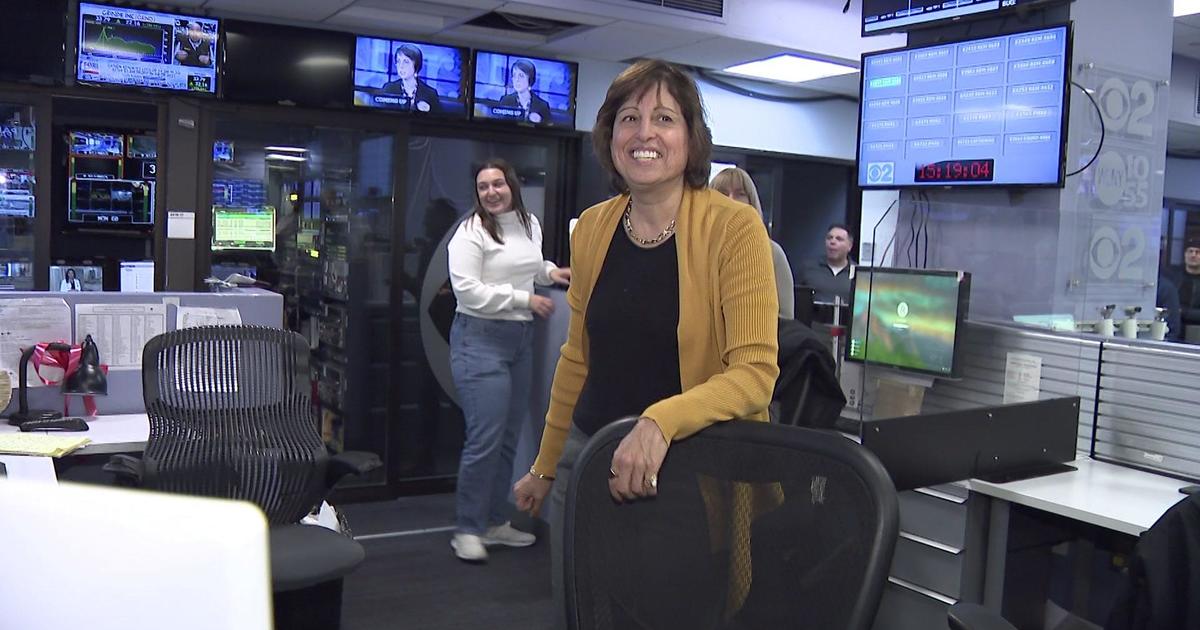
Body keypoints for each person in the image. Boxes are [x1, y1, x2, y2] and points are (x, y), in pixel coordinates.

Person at [511, 59, 779, 627]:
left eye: (664, 117)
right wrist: (546, 466)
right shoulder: (592, 229)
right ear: (610, 138)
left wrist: (660, 421)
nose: (645, 133)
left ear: (691, 137)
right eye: (628, 118)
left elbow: (755, 372)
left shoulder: (734, 229)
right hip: (591, 461)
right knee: (583, 614)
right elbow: (577, 358)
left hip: (685, 474)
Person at [447, 158, 571, 563]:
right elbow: (468, 292)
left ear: (511, 185)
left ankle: (495, 522)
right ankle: (467, 527)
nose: (491, 192)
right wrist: (524, 300)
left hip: (519, 340)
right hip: (479, 339)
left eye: (497, 183)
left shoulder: (528, 223)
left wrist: (551, 274)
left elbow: (528, 269)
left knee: (507, 439)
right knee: (484, 439)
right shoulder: (470, 233)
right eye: (483, 187)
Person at [710, 167, 795, 319]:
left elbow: (785, 318)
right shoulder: (695, 248)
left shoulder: (772, 252)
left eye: (740, 194)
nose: (731, 199)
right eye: (723, 193)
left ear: (751, 201)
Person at [800, 223, 856, 303]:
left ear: (850, 246)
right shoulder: (808, 268)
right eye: (829, 238)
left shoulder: (858, 274)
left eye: (839, 239)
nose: (832, 241)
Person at [381, 45, 442, 113]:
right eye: (398, 61)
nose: (401, 66)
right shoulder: (389, 88)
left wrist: (428, 111)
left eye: (406, 62)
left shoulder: (430, 94)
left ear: (416, 65)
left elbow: (438, 120)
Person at [497, 60, 552, 125]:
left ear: (530, 78)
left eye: (521, 75)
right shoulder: (505, 100)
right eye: (514, 75)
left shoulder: (543, 106)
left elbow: (548, 129)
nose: (517, 80)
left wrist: (540, 121)